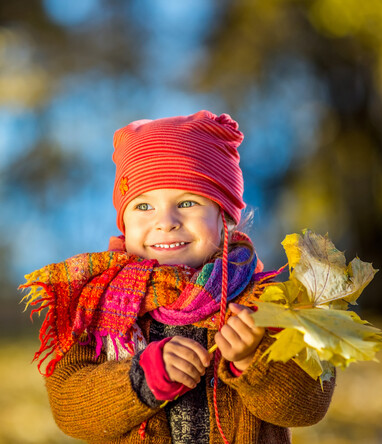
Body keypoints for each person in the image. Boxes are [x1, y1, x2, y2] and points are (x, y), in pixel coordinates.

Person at [20, 110, 334, 444]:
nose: (165, 221)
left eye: (186, 202)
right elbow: (69, 407)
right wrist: (140, 379)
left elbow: (308, 405)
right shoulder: (99, 304)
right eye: (143, 206)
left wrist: (250, 360)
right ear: (123, 222)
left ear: (224, 217)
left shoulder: (263, 300)